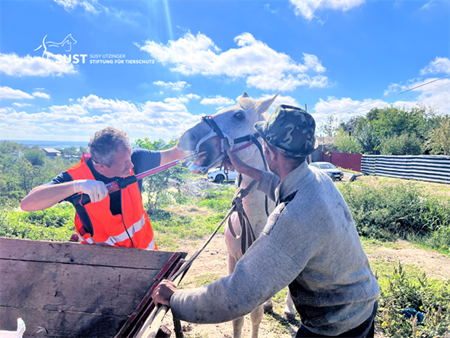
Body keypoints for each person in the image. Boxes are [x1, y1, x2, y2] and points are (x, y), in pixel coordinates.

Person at [153, 105, 379, 337]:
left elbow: (240, 294)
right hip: (361, 303)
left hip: (337, 326)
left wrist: (177, 299)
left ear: (269, 151)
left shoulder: (294, 218)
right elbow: (284, 186)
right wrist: (245, 169)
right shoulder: (317, 178)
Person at [21, 126, 187, 250]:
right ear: (101, 167)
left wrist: (196, 139)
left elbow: (174, 154)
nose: (131, 166)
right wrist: (77, 186)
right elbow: (27, 204)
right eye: (124, 163)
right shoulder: (76, 177)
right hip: (103, 263)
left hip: (144, 251)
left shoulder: (135, 159)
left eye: (130, 157)